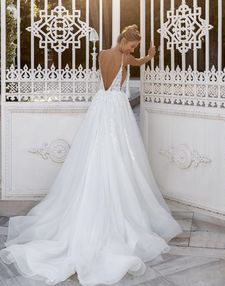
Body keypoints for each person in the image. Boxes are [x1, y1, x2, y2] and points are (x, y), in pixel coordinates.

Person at [0, 24, 183, 286]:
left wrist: (140, 55)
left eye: (134, 48)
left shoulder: (102, 54)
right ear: (125, 42)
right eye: (132, 45)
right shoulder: (124, 57)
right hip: (116, 107)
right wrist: (150, 55)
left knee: (95, 147)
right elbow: (141, 62)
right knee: (119, 150)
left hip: (100, 104)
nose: (133, 50)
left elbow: (106, 80)